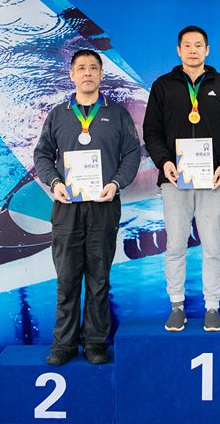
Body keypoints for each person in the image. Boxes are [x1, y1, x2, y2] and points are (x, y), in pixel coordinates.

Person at [34, 49, 141, 365]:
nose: (87, 73)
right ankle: (63, 345)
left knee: (98, 280)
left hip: (104, 206)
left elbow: (132, 154)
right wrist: (54, 182)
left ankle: (95, 343)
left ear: (101, 74)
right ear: (72, 74)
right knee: (67, 280)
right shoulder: (58, 115)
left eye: (93, 68)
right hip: (67, 207)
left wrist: (116, 183)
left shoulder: (117, 114)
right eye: (81, 68)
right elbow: (42, 155)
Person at [142, 25, 220, 332]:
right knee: (175, 245)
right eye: (187, 45)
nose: (193, 50)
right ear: (178, 51)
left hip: (213, 181)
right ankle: (177, 305)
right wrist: (165, 162)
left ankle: (212, 306)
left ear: (207, 50)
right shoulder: (163, 86)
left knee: (212, 246)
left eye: (198, 45)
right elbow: (151, 132)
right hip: (175, 181)